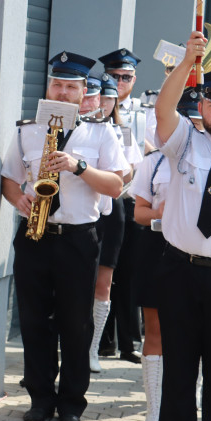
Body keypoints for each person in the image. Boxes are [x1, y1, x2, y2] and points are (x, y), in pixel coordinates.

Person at [1, 51, 125, 421]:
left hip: (77, 239)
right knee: (34, 319)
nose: (63, 91)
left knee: (75, 323)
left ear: (84, 91)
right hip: (35, 235)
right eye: (57, 84)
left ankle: (72, 403)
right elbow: (8, 176)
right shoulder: (26, 130)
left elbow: (117, 185)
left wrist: (79, 166)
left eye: (71, 86)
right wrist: (17, 198)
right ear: (48, 87)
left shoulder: (101, 132)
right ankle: (40, 398)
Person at [152, 31, 211, 421]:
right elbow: (164, 107)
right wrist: (187, 62)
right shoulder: (183, 141)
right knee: (180, 367)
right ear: (201, 106)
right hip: (180, 272)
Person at [130, 88, 203, 421]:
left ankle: (198, 403)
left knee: (203, 332)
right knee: (156, 331)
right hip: (158, 248)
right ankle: (154, 411)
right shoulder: (153, 161)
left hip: (201, 253)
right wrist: (160, 211)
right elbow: (138, 213)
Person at [87, 73, 140, 373]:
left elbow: (130, 169)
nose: (106, 103)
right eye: (102, 97)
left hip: (112, 208)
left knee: (104, 281)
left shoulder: (124, 131)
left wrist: (105, 176)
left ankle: (93, 348)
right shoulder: (83, 128)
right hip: (84, 208)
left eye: (110, 98)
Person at [99, 49, 145, 365]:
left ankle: (129, 342)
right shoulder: (97, 108)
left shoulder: (146, 114)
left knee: (130, 273)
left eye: (125, 77)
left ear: (134, 79)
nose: (119, 82)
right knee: (103, 271)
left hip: (132, 201)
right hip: (103, 201)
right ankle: (103, 342)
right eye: (114, 77)